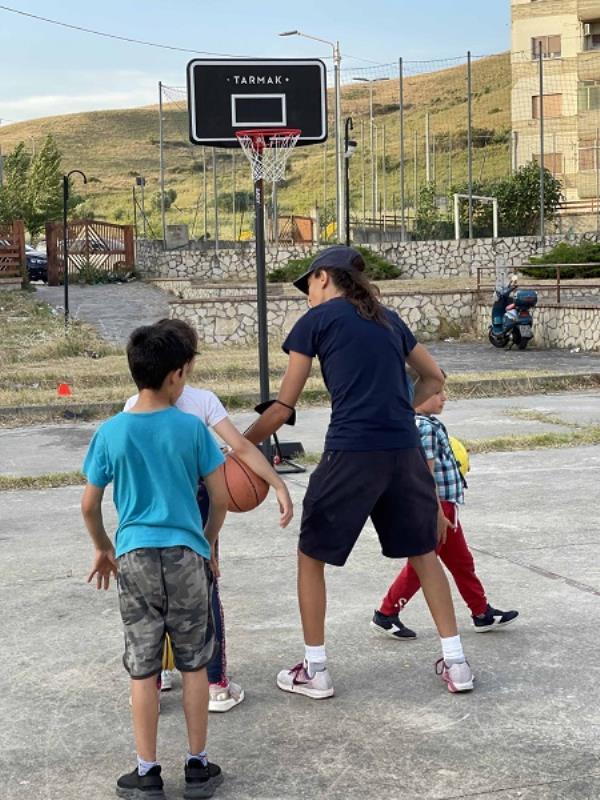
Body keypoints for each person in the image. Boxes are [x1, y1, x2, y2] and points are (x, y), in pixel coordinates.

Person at [245, 245, 475, 698]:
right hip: (403, 451)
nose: (306, 293)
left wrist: (237, 445)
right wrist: (394, 410)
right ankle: (457, 663)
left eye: (307, 283)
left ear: (324, 278)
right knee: (424, 554)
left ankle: (315, 669)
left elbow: (282, 408)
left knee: (311, 557)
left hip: (352, 451)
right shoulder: (388, 319)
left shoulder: (316, 320)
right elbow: (435, 378)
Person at [81, 323, 227, 799]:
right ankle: (198, 766)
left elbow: (89, 503)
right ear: (176, 375)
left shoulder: (112, 431)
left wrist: (104, 546)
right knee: (193, 663)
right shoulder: (191, 428)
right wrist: (206, 543)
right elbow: (221, 498)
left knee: (143, 667)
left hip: (135, 556)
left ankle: (146, 772)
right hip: (187, 555)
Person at [124, 318, 293, 712]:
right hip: (194, 505)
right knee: (205, 585)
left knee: (152, 593)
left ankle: (155, 674)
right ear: (186, 364)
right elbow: (240, 449)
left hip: (147, 511)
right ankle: (214, 681)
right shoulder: (200, 402)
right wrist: (277, 483)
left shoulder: (132, 406)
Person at [372, 375, 519, 639]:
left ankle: (481, 612)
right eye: (437, 392)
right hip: (436, 508)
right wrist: (436, 512)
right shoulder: (423, 428)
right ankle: (386, 613)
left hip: (446, 508)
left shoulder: (427, 424)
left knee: (462, 561)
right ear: (416, 396)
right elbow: (424, 474)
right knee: (423, 567)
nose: (444, 397)